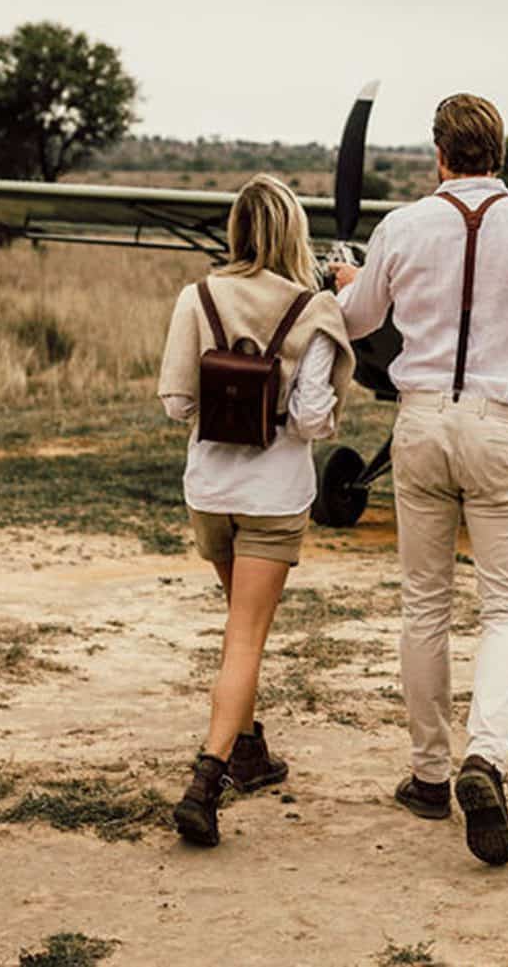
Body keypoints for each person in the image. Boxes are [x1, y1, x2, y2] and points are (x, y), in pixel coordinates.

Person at [333, 93, 508, 866]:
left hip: (421, 424)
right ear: (499, 153)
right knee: (506, 609)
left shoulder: (401, 226)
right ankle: (485, 757)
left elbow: (357, 321)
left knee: (424, 603)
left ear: (439, 155)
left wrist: (347, 280)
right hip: (506, 429)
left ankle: (430, 775)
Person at [156, 173, 355, 847]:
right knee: (246, 637)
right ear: (295, 232)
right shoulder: (314, 309)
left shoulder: (197, 297)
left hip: (210, 490)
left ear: (236, 230)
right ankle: (205, 781)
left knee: (239, 628)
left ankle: (248, 749)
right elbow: (313, 418)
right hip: (273, 496)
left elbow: (177, 403)